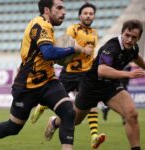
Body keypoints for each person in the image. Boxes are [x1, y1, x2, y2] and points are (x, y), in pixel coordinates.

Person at [0, 0, 92, 150]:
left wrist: (62, 57)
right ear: (47, 10)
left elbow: (45, 56)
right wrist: (73, 49)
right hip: (27, 85)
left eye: (64, 8)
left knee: (68, 112)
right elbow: (48, 53)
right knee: (13, 127)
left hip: (48, 81)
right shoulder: (40, 25)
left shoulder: (48, 27)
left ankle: (58, 132)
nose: (64, 12)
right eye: (59, 8)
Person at [45, 19, 145, 150]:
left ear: (138, 38)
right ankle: (55, 122)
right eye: (127, 35)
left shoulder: (132, 47)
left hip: (111, 86)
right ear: (122, 33)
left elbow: (136, 56)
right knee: (76, 121)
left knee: (132, 114)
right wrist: (128, 74)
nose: (130, 40)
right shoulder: (111, 47)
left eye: (134, 37)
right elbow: (102, 70)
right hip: (91, 87)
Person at [31, 3, 105, 149]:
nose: (88, 16)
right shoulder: (73, 29)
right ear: (80, 16)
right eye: (85, 13)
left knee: (91, 104)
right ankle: (42, 107)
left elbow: (91, 55)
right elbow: (65, 46)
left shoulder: (95, 33)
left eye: (91, 13)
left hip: (86, 74)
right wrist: (83, 50)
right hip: (69, 73)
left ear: (94, 16)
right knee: (54, 97)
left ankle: (94, 136)